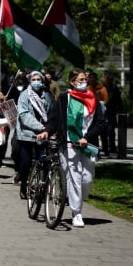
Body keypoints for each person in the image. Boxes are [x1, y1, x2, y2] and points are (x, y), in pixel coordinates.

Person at [46, 70, 104, 228]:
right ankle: (76, 213)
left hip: (87, 144)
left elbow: (100, 123)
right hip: (69, 144)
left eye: (85, 79)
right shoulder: (64, 100)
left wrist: (88, 137)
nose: (84, 82)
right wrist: (47, 131)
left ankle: (75, 199)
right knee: (75, 178)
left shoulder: (93, 100)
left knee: (87, 179)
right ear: (72, 82)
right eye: (80, 79)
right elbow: (54, 120)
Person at [15, 70, 54, 199]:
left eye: (39, 79)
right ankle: (24, 185)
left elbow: (52, 113)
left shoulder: (47, 96)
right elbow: (24, 115)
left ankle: (40, 187)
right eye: (34, 80)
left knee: (42, 161)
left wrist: (48, 129)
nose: (36, 82)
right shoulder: (24, 95)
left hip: (43, 134)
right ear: (29, 81)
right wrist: (40, 127)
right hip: (27, 134)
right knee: (26, 162)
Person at [102, 71, 123, 155]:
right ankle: (105, 147)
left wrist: (121, 108)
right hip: (102, 110)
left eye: (105, 77)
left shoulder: (114, 88)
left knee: (111, 130)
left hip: (111, 110)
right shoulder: (101, 87)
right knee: (103, 130)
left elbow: (118, 100)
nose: (104, 79)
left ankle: (112, 147)